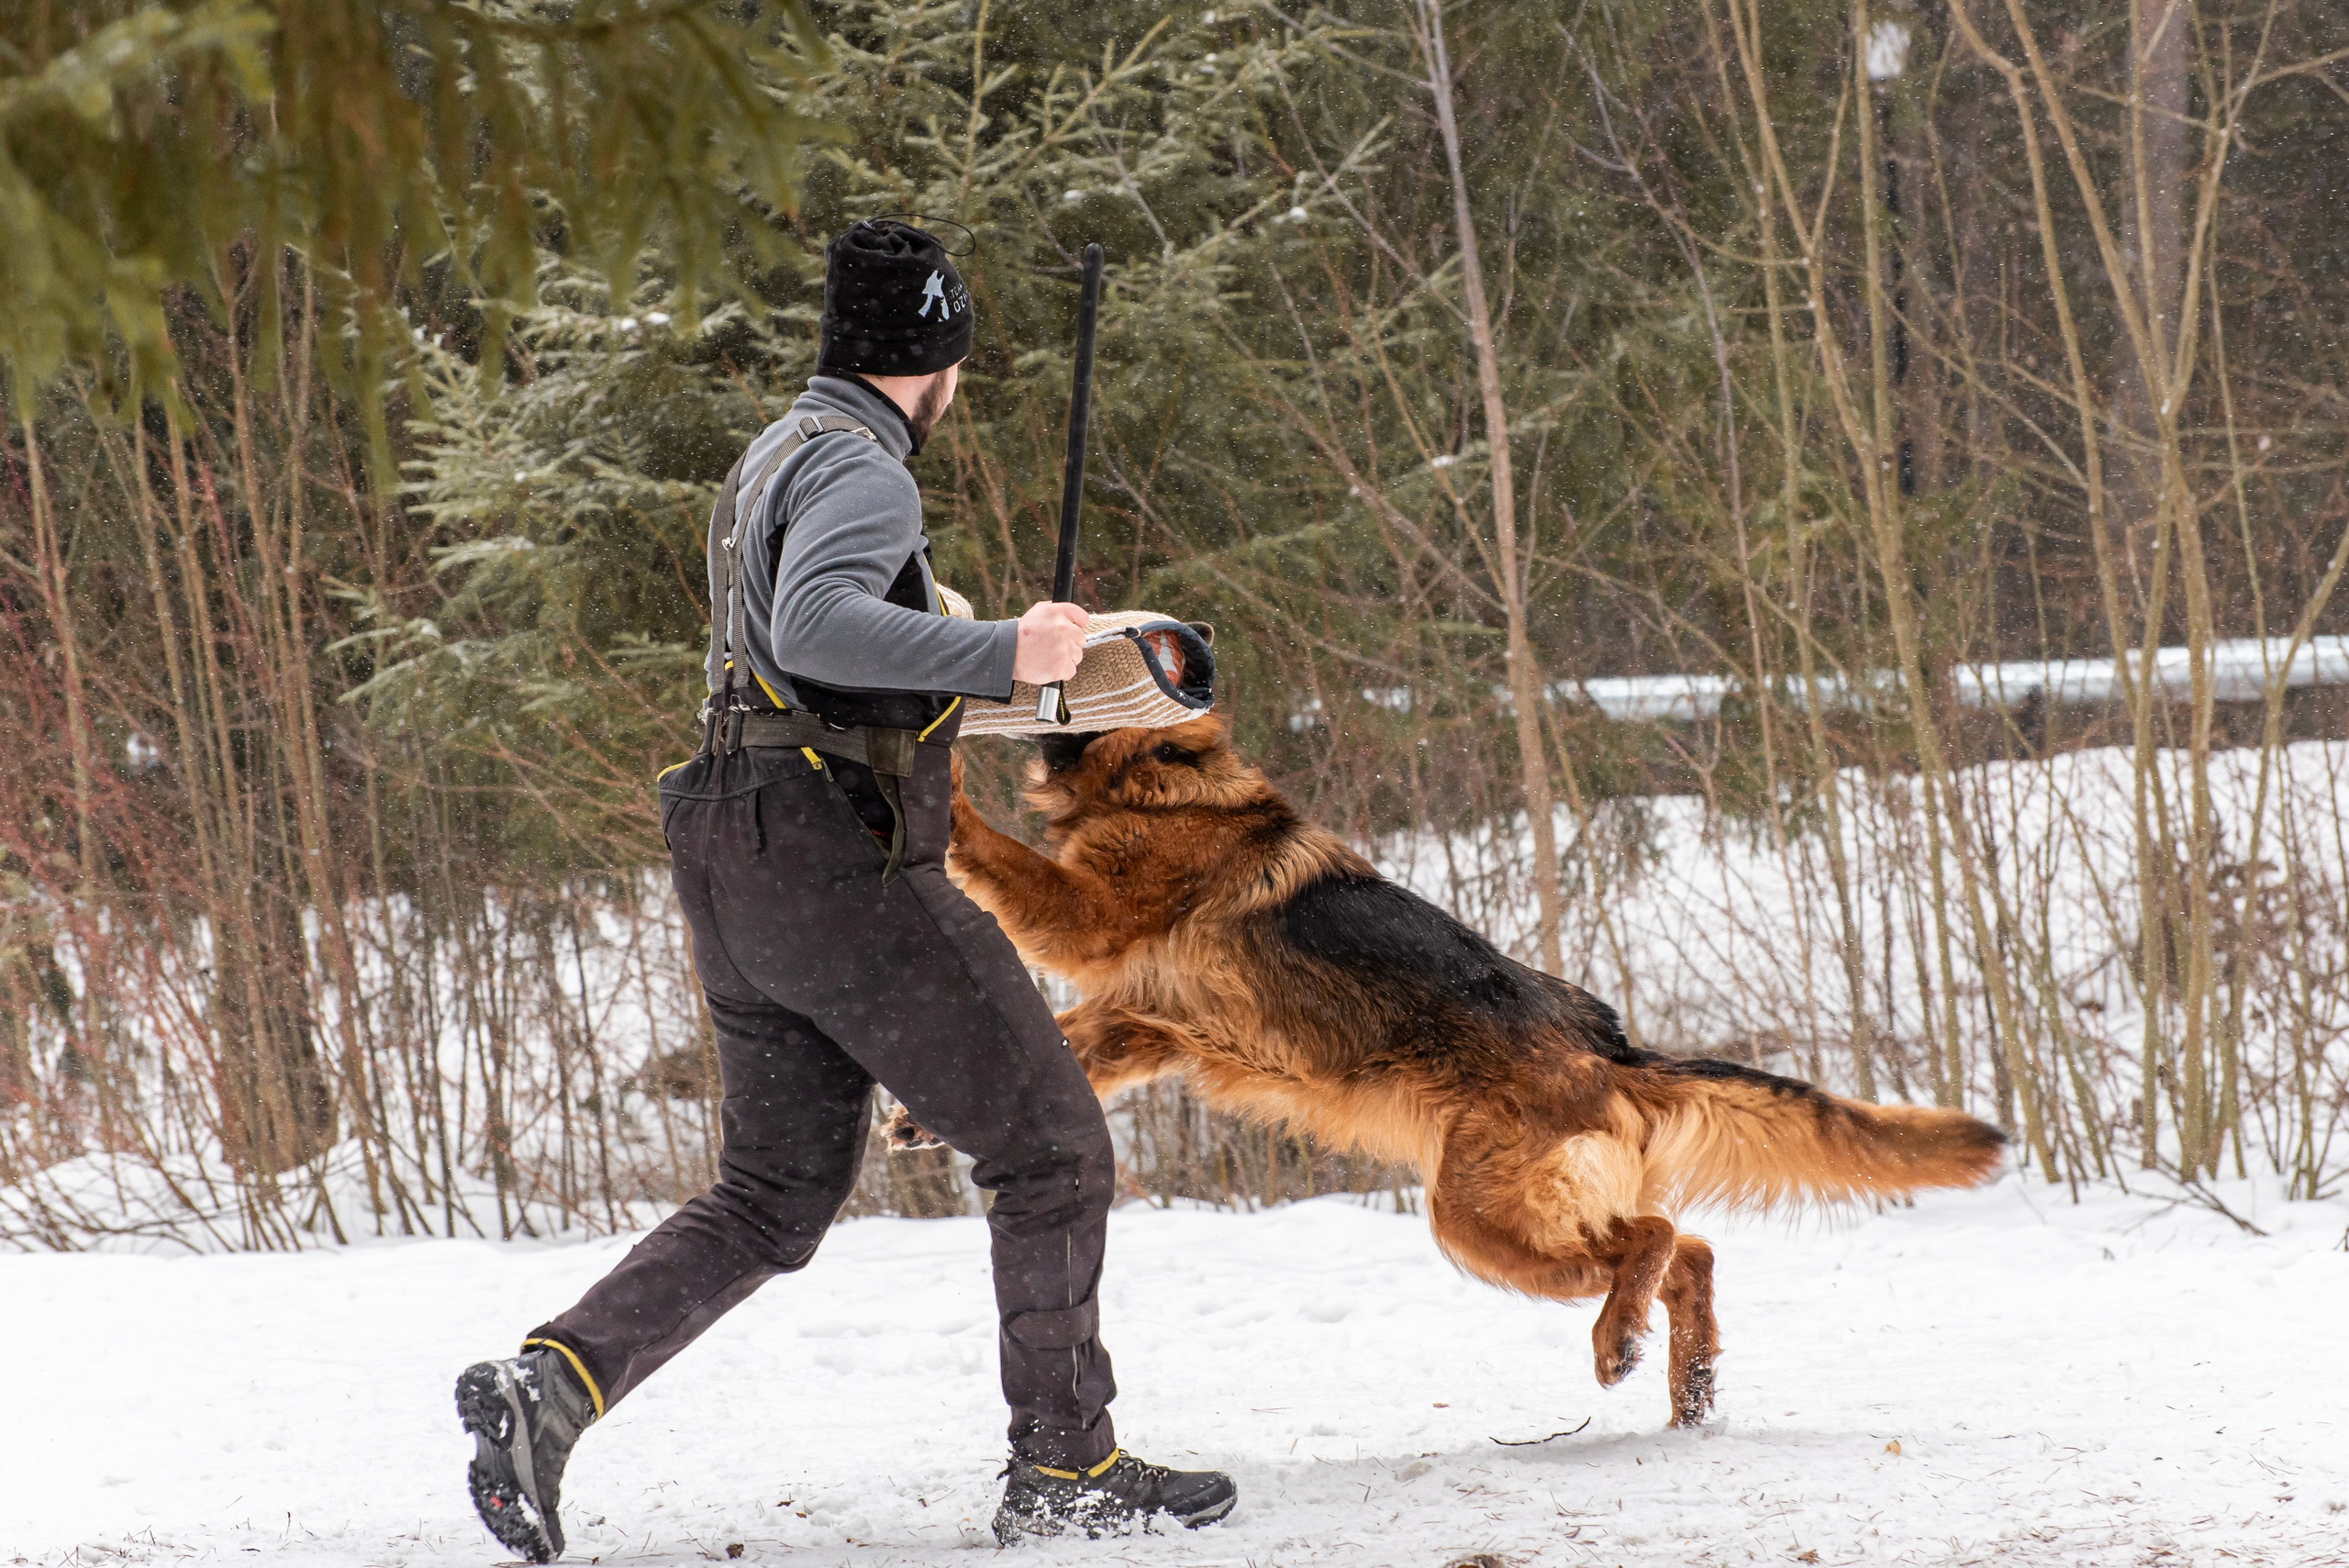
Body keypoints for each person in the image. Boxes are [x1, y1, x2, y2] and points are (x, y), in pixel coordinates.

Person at [453, 219, 1236, 1562]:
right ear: (934, 358)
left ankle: (552, 1386)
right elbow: (819, 626)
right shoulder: (869, 474)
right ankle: (1067, 1464)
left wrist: (1020, 672)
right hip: (835, 864)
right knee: (1052, 1148)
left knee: (771, 1193)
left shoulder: (773, 455)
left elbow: (801, 666)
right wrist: (1004, 641)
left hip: (732, 849)